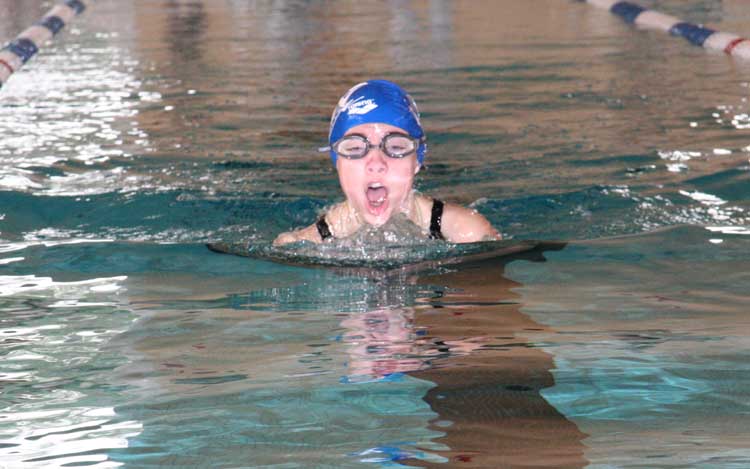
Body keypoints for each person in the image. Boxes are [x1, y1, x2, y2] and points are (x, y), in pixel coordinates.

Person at [273, 80, 500, 246]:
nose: (376, 163)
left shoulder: (468, 233)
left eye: (396, 147)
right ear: (337, 162)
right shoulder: (299, 244)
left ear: (417, 160)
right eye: (355, 149)